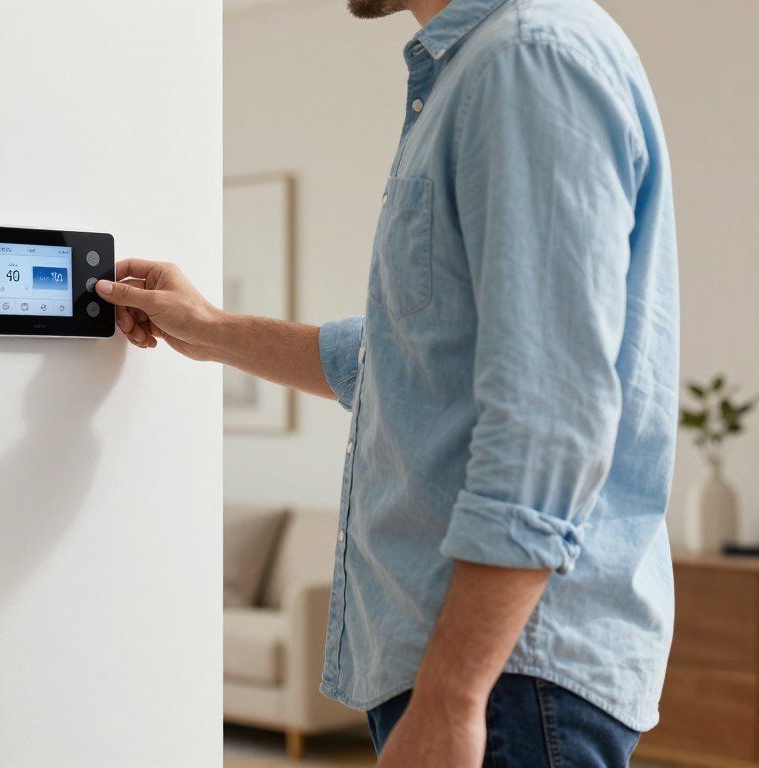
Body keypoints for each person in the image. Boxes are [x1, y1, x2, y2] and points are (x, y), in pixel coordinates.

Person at [96, 0, 678, 764]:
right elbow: (409, 363)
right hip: (492, 674)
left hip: (505, 676)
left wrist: (453, 696)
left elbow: (550, 415)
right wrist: (208, 327)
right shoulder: (484, 65)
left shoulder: (528, 59)